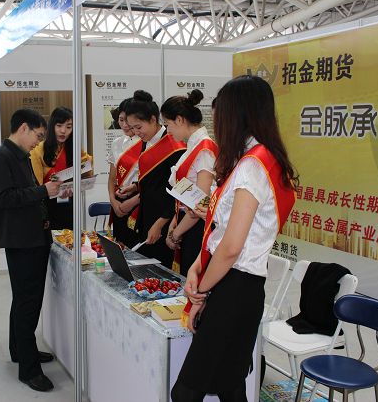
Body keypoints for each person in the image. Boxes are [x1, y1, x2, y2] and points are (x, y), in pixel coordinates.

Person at [171, 75, 297, 402]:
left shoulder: (254, 165)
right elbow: (221, 231)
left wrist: (200, 290)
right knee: (230, 386)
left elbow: (231, 247)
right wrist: (198, 265)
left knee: (186, 391)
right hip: (236, 284)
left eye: (220, 115)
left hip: (234, 287)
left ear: (237, 114)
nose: (217, 125)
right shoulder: (258, 159)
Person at [0, 109, 63, 392]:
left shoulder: (18, 155)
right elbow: (4, 198)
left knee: (23, 300)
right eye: (38, 135)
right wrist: (43, 191)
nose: (38, 142)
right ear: (23, 128)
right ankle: (29, 370)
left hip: (30, 236)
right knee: (27, 304)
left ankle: (20, 350)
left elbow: (24, 193)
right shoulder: (3, 158)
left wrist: (48, 192)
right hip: (23, 241)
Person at [117, 90, 186, 268]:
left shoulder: (175, 146)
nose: (136, 132)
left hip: (165, 218)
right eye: (132, 128)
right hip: (147, 214)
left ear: (153, 119)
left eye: (139, 127)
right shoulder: (147, 140)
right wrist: (135, 187)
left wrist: (160, 223)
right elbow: (154, 178)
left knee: (162, 269)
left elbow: (177, 192)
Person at [162, 89, 217, 276]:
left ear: (179, 120)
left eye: (168, 124)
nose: (168, 131)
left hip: (198, 227)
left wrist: (176, 233)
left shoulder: (204, 149)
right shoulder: (193, 147)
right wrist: (175, 222)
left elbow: (201, 202)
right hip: (187, 222)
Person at [30, 107, 92, 230]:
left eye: (69, 127)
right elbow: (36, 185)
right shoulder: (38, 150)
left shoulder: (75, 149)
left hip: (69, 204)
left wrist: (76, 185)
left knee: (70, 238)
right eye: (59, 126)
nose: (63, 131)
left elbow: (87, 171)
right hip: (46, 205)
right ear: (52, 126)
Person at [107, 98, 141, 249]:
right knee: (119, 246)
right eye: (121, 120)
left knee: (134, 247)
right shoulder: (117, 143)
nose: (125, 125)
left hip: (137, 201)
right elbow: (111, 178)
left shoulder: (146, 143)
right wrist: (113, 201)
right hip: (118, 199)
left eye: (128, 121)